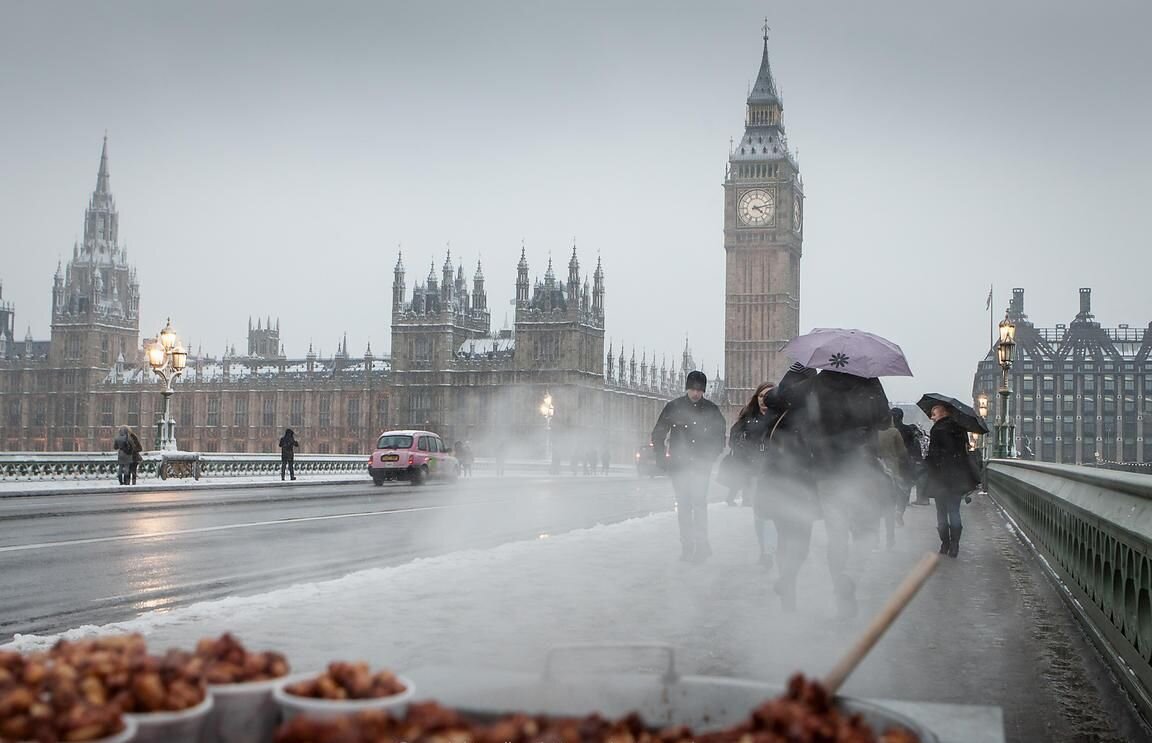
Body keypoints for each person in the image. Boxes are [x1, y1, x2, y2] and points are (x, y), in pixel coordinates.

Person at [807, 369, 892, 619]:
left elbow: (804, 418)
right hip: (861, 468)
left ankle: (838, 590)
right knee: (866, 533)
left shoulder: (819, 381)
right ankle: (850, 577)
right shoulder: (870, 380)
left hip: (827, 470)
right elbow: (886, 421)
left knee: (837, 536)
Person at [755, 362, 818, 611]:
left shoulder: (806, 412)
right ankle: (788, 591)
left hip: (795, 485)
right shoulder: (779, 412)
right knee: (794, 540)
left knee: (797, 544)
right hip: (786, 484)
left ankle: (786, 580)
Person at [650, 370, 726, 563]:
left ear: (703, 391)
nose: (695, 393)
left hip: (701, 466)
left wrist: (710, 456)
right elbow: (658, 433)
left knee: (699, 505)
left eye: (699, 390)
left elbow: (720, 437)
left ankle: (701, 545)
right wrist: (661, 457)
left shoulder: (711, 410)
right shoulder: (673, 407)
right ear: (687, 388)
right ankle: (687, 546)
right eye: (692, 389)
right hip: (679, 466)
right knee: (683, 507)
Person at [728, 382, 779, 560]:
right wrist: (746, 453)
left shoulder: (781, 417)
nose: (764, 400)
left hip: (776, 473)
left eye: (768, 396)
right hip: (754, 473)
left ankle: (771, 549)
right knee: (760, 515)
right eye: (760, 396)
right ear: (755, 398)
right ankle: (765, 549)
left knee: (774, 513)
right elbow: (733, 440)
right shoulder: (748, 417)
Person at [924, 403, 980, 558]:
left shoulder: (937, 430)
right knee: (954, 511)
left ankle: (945, 543)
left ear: (942, 414)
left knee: (941, 512)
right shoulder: (960, 429)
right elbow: (964, 451)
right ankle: (955, 545)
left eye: (934, 414)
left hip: (941, 477)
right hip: (957, 476)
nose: (932, 417)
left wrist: (927, 463)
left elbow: (934, 455)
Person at [893, 408, 928, 505]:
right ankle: (905, 500)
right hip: (907, 458)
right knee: (906, 479)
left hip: (895, 458)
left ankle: (897, 499)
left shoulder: (891, 430)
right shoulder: (908, 429)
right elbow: (914, 443)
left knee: (896, 479)